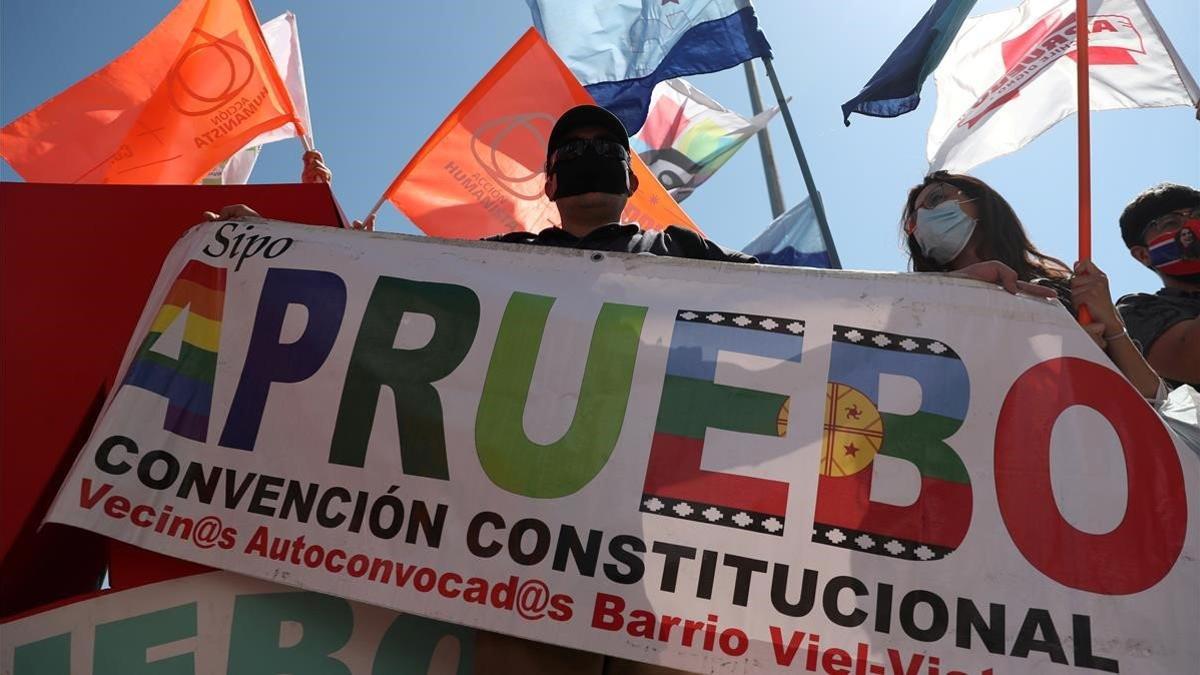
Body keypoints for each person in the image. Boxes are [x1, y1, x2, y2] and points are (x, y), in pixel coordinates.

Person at [901, 171, 1163, 399]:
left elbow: (1154, 400)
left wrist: (1112, 327)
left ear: (978, 202)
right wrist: (957, 286)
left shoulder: (1064, 292)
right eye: (914, 221)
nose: (924, 217)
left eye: (936, 199)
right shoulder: (915, 306)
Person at [484, 103, 756, 263]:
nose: (589, 156)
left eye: (609, 148)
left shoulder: (684, 249)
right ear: (549, 187)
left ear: (632, 183)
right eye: (571, 150)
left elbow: (777, 292)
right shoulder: (497, 256)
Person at [1115, 183, 1200, 388]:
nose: (1193, 227)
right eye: (1172, 222)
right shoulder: (1135, 311)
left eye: (1198, 216)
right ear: (1143, 254)